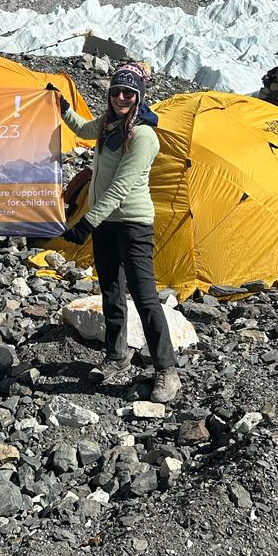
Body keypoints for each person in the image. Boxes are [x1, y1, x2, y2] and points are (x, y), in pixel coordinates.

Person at [46, 64, 181, 403]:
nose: (121, 97)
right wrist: (61, 106)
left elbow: (121, 186)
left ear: (139, 96)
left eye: (128, 93)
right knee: (110, 290)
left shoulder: (144, 136)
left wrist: (87, 222)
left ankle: (166, 370)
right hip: (105, 223)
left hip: (133, 224)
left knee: (145, 296)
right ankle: (117, 356)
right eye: (116, 91)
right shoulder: (108, 124)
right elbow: (82, 127)